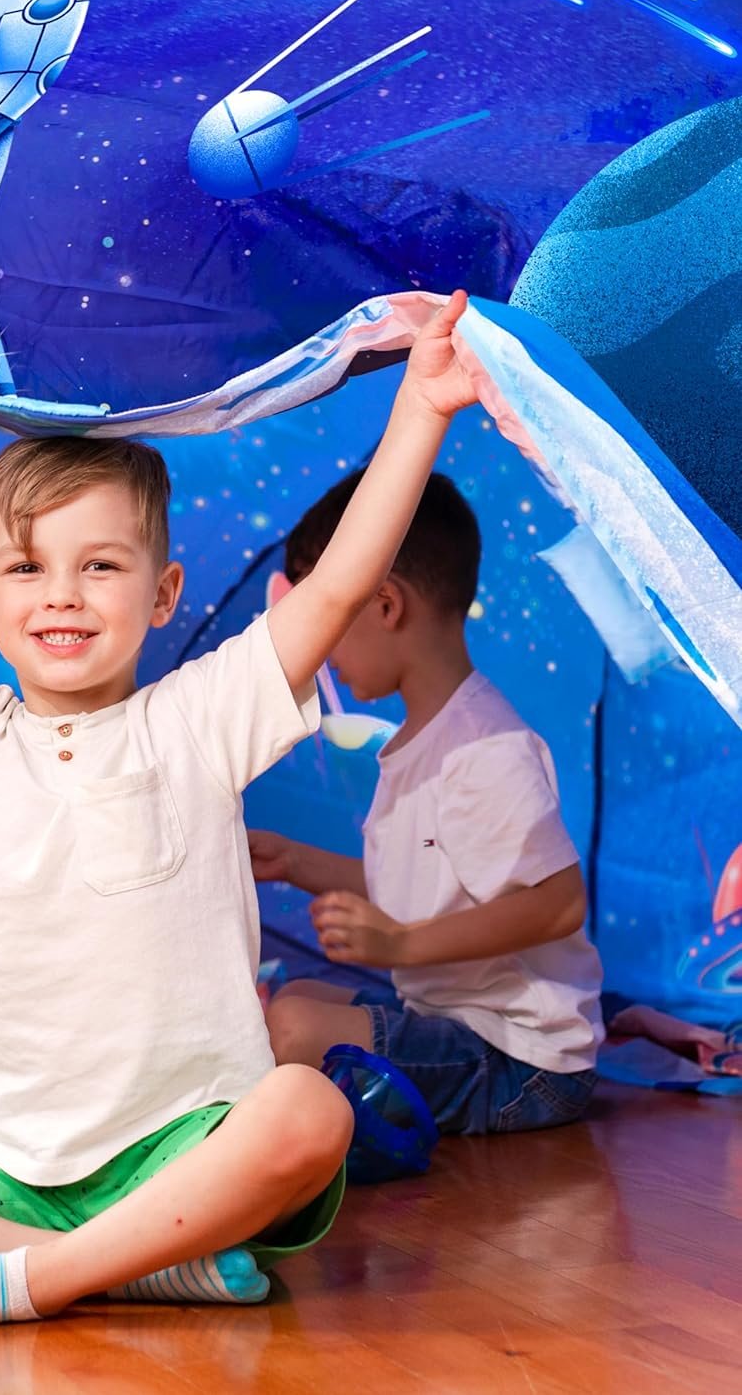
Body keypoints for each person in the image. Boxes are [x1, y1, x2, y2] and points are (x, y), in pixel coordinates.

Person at [0, 291, 480, 1337]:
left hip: (185, 1151)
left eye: (100, 566)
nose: (62, 595)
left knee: (309, 1109)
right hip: (9, 1169)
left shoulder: (202, 719)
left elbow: (331, 594)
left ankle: (34, 1281)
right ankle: (138, 1265)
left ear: (163, 592)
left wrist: (421, 410)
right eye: (28, 568)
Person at [254, 470, 604, 1135]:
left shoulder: (484, 747)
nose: (318, 651)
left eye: (328, 617)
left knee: (293, 1027)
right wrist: (296, 862)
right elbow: (422, 884)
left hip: (520, 1062)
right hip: (449, 1022)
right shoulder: (422, 741)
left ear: (386, 605)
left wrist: (403, 943)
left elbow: (557, 903)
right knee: (297, 996)